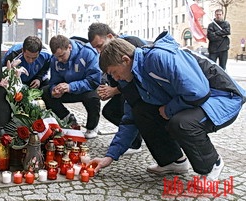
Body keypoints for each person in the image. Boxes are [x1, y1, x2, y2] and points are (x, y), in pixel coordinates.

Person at [89, 31, 246, 185]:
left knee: (181, 123)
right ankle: (173, 161)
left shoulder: (159, 57)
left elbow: (198, 92)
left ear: (125, 60)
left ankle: (212, 164)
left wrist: (168, 109)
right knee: (141, 112)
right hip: (195, 98)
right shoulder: (132, 78)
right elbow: (130, 119)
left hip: (222, 96)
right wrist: (109, 157)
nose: (115, 79)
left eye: (114, 73)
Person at [88, 22, 151, 154]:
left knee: (129, 108)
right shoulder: (106, 54)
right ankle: (132, 137)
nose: (99, 51)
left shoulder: (132, 42)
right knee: (109, 111)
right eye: (96, 49)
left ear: (110, 36)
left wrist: (115, 90)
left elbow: (135, 77)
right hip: (124, 90)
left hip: (141, 92)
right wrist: (105, 86)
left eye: (100, 46)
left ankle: (135, 142)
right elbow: (112, 75)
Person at [42, 35, 102, 139]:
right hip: (67, 89)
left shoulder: (87, 53)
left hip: (85, 88)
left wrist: (71, 86)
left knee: (93, 96)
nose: (60, 59)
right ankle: (68, 118)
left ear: (69, 47)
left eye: (62, 55)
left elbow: (94, 80)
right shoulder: (55, 60)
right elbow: (54, 80)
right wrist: (54, 89)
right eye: (57, 57)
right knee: (45, 92)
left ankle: (92, 126)